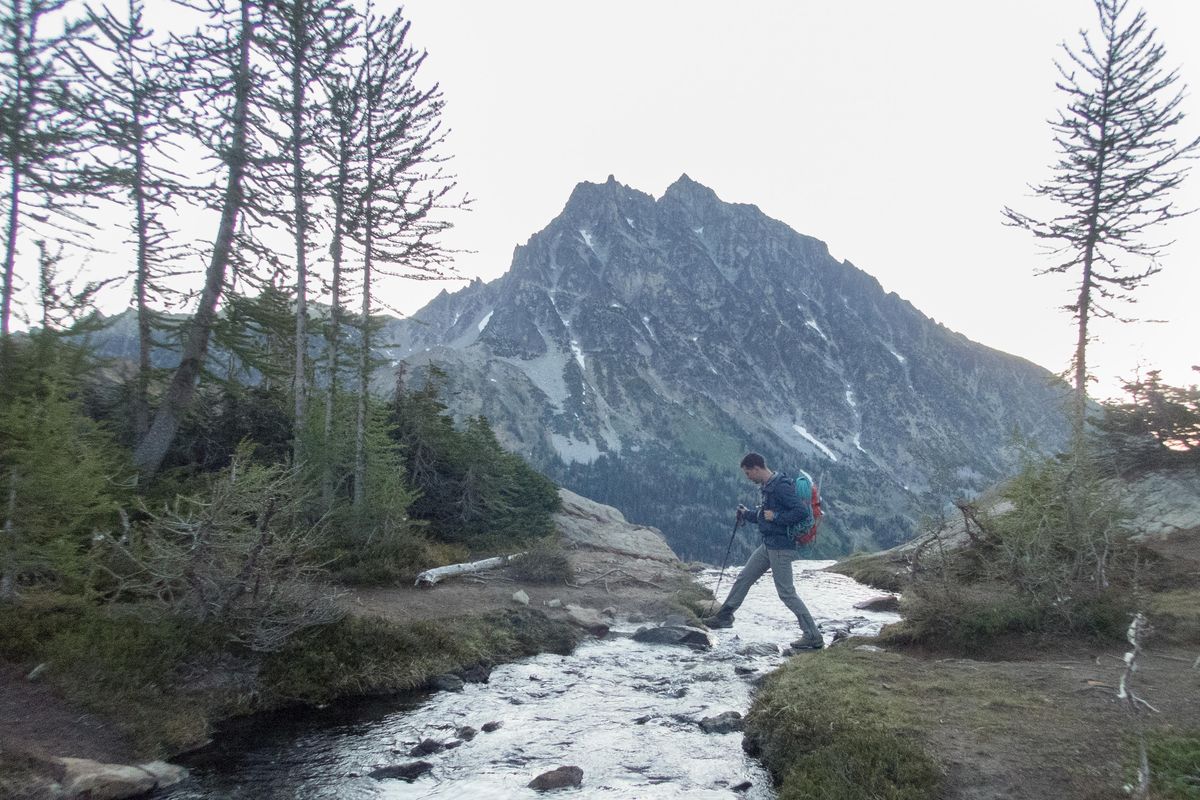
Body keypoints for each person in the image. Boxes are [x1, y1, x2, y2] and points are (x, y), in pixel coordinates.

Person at [703, 452, 824, 649]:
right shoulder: (769, 486)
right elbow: (765, 516)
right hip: (769, 545)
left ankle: (813, 635)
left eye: (748, 474)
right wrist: (747, 514)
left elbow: (800, 513)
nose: (748, 478)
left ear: (756, 469)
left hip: (781, 547)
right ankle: (724, 616)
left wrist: (775, 516)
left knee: (786, 593)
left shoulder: (781, 486)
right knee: (744, 577)